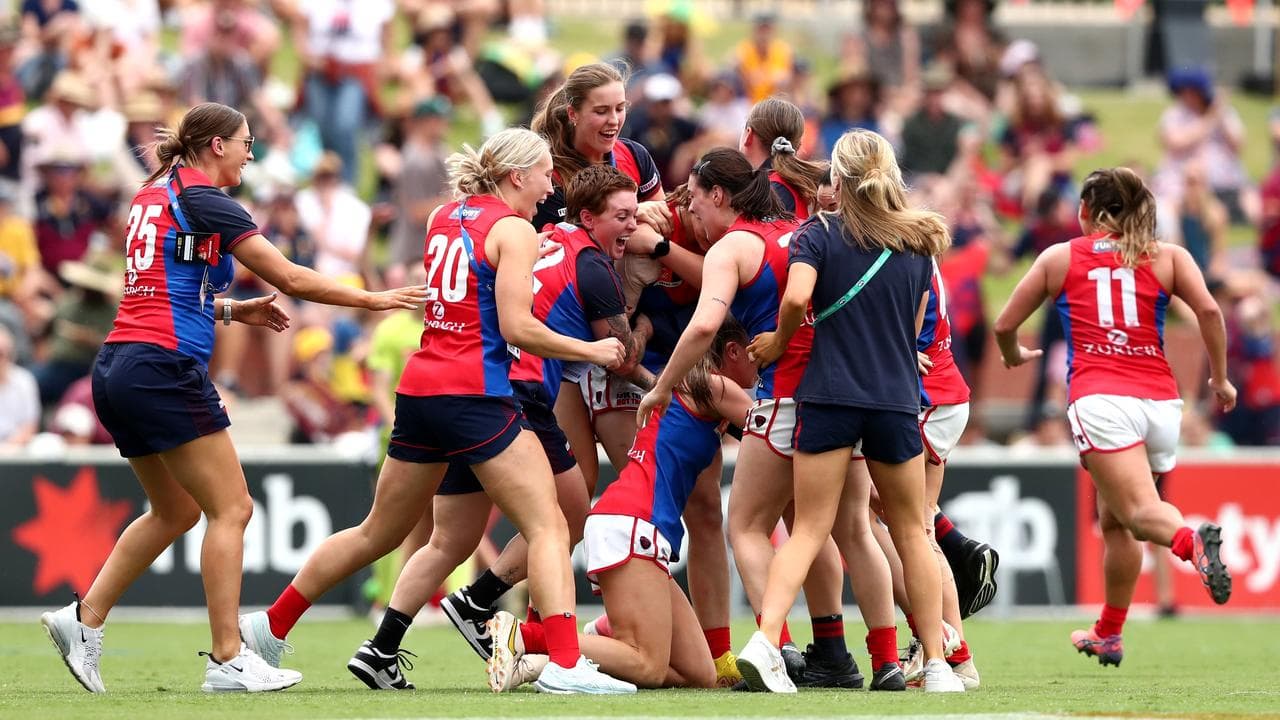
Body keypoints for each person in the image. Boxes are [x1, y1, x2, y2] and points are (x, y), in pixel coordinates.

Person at [39, 101, 426, 694]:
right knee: (233, 509)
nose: (252, 152)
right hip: (161, 366)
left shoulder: (154, 193)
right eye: (246, 142)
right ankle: (227, 659)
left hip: (118, 366)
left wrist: (232, 308)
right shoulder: (207, 199)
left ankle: (83, 619)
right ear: (216, 145)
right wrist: (375, 300)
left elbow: (157, 288)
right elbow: (291, 277)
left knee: (176, 511)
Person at [239, 128, 636, 695]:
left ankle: (271, 624)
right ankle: (568, 666)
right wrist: (591, 349)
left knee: (379, 531)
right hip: (475, 394)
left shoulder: (444, 217)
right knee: (549, 525)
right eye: (547, 172)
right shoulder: (514, 230)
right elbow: (518, 328)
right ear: (517, 176)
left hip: (421, 390)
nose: (553, 185)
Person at [357, 164, 649, 688]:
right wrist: (646, 307)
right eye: (623, 216)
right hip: (514, 392)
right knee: (560, 522)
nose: (632, 227)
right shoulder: (587, 263)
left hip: (472, 388)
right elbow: (620, 356)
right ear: (588, 216)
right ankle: (548, 652)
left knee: (449, 540)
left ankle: (381, 645)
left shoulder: (544, 235)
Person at [740, 128, 965, 693]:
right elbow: (916, 327)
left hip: (830, 396)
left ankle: (767, 641)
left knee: (811, 529)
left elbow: (795, 298)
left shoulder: (817, 235)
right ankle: (936, 662)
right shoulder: (918, 242)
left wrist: (776, 340)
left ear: (835, 180)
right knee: (912, 531)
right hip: (894, 402)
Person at [993, 167, 1235, 668]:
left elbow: (1004, 324)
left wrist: (1013, 353)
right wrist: (1219, 380)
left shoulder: (1060, 257)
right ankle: (1109, 631)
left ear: (1086, 211)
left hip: (1102, 401)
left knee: (1139, 516)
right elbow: (1210, 312)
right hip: (1161, 403)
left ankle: (1192, 544)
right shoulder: (1169, 256)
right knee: (1116, 520)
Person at [488, 317, 757, 691]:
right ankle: (526, 637)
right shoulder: (715, 386)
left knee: (700, 675)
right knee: (647, 667)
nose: (761, 364)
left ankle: (582, 644)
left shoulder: (686, 386)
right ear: (731, 352)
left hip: (631, 524)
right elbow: (775, 430)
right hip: (633, 524)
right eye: (756, 354)